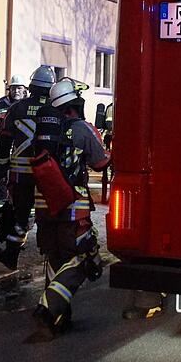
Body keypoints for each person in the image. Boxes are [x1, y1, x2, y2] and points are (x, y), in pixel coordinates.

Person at [31, 77, 111, 336]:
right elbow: (100, 164)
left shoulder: (42, 132)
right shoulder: (82, 129)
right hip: (73, 209)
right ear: (75, 103)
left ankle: (59, 318)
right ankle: (48, 307)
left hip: (45, 208)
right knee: (84, 258)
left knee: (55, 260)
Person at [0, 65, 55, 269]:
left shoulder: (16, 108)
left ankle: (11, 253)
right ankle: (52, 255)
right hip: (48, 175)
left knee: (21, 214)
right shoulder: (56, 110)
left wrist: (0, 169)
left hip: (20, 175)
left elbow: (3, 141)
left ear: (31, 86)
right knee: (47, 214)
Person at [0, 74, 29, 225]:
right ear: (9, 89)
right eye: (14, 88)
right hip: (3, 151)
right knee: (1, 183)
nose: (16, 91)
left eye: (19, 88)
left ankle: (23, 220)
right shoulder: (0, 105)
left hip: (23, 153)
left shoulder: (28, 105)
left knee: (23, 185)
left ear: (25, 90)